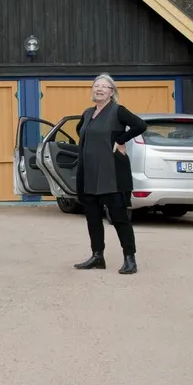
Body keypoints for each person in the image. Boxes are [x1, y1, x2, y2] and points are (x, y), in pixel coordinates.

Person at [72, 74, 149, 275]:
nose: (99, 89)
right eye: (96, 86)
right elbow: (80, 130)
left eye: (104, 87)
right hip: (89, 174)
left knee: (119, 217)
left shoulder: (117, 111)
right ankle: (97, 256)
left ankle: (129, 259)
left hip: (111, 174)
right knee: (92, 217)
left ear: (112, 92)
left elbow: (140, 125)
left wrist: (121, 139)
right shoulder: (88, 113)